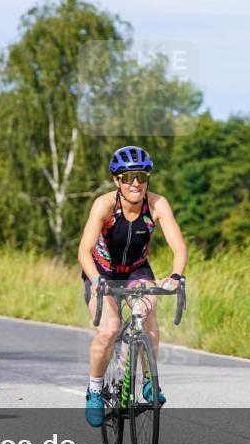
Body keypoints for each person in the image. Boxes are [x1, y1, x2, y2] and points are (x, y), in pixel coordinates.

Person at [77, 146, 188, 427]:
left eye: (140, 176)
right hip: (101, 271)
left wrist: (175, 275)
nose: (135, 183)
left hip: (137, 270)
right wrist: (97, 280)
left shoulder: (157, 204)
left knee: (147, 315)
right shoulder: (104, 205)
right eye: (127, 178)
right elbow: (84, 250)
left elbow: (179, 246)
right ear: (117, 181)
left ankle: (150, 381)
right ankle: (94, 389)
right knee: (110, 329)